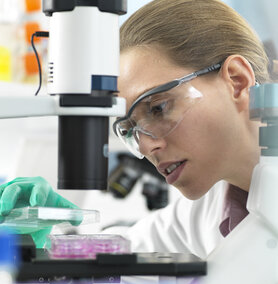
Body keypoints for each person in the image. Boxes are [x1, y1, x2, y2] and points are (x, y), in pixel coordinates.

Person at [0, 0, 271, 254]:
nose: (144, 147)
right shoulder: (206, 213)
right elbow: (124, 255)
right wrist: (36, 240)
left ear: (237, 81)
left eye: (158, 108)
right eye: (129, 128)